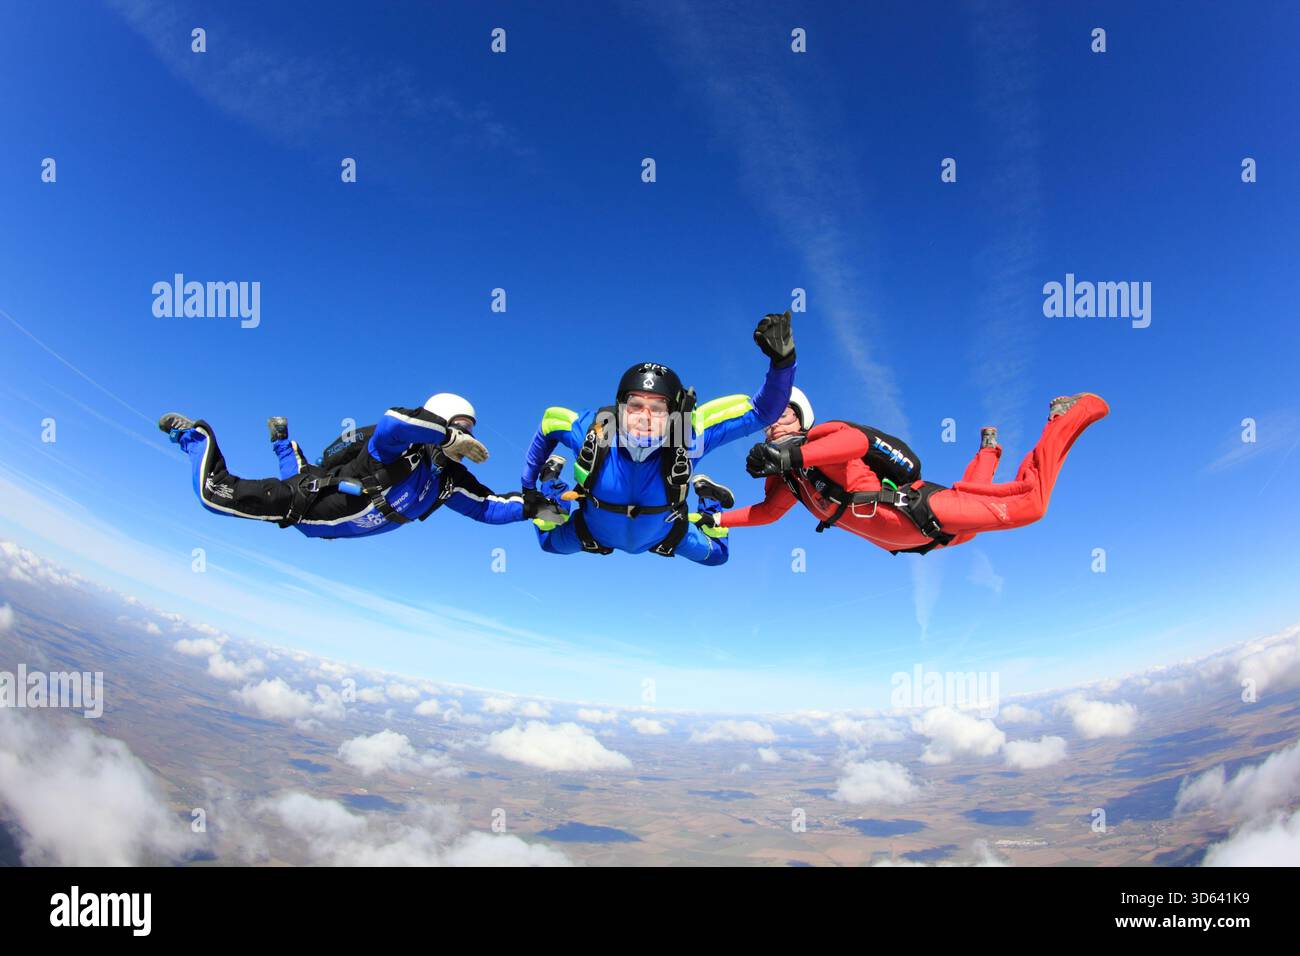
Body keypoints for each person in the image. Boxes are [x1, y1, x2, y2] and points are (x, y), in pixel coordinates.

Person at [518, 311, 798, 565]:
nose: (644, 416)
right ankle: (552, 483)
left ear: (675, 414)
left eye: (657, 408)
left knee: (718, 556)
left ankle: (708, 499)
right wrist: (529, 487)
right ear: (619, 408)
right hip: (592, 529)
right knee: (548, 543)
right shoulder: (595, 431)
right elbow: (549, 422)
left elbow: (763, 411)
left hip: (664, 534)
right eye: (635, 405)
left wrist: (783, 363)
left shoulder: (690, 437)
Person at [706, 390, 1109, 554]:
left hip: (921, 511)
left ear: (801, 419)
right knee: (976, 505)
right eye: (769, 420)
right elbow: (767, 514)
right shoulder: (792, 480)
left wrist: (790, 457)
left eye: (782, 415)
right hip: (925, 542)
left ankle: (1067, 415)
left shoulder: (819, 441)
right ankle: (989, 450)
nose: (773, 423)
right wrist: (717, 518)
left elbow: (857, 444)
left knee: (1031, 504)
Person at [158, 393, 565, 539]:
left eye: (471, 431)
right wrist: (446, 435)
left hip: (321, 525)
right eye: (462, 428)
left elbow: (488, 506)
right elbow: (393, 422)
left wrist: (534, 507)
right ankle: (196, 436)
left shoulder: (448, 480)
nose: (469, 438)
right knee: (215, 494)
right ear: (436, 421)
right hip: (319, 504)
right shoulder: (399, 450)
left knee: (298, 474)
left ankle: (283, 440)